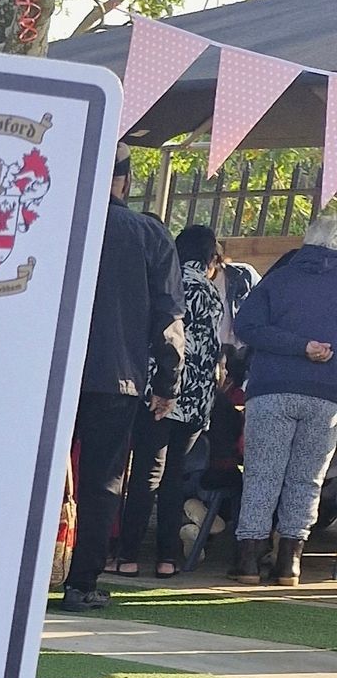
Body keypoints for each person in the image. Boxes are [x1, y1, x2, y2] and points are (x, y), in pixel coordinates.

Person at [62, 153, 183, 611]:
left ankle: (22, 571)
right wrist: (167, 383)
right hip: (117, 377)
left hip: (53, 375)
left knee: (37, 477)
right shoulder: (149, 233)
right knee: (102, 483)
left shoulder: (58, 222)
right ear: (126, 180)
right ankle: (81, 584)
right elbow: (168, 318)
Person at [229, 210, 337, 587]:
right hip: (326, 394)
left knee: (263, 473)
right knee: (307, 479)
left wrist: (297, 345)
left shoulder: (280, 278)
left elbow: (246, 326)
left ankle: (248, 560)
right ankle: (290, 562)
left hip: (271, 389)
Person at [117, 224, 223, 578]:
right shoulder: (213, 293)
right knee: (175, 477)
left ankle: (128, 556)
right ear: (210, 259)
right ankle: (167, 558)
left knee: (146, 474)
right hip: (196, 403)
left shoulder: (168, 283)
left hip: (161, 393)